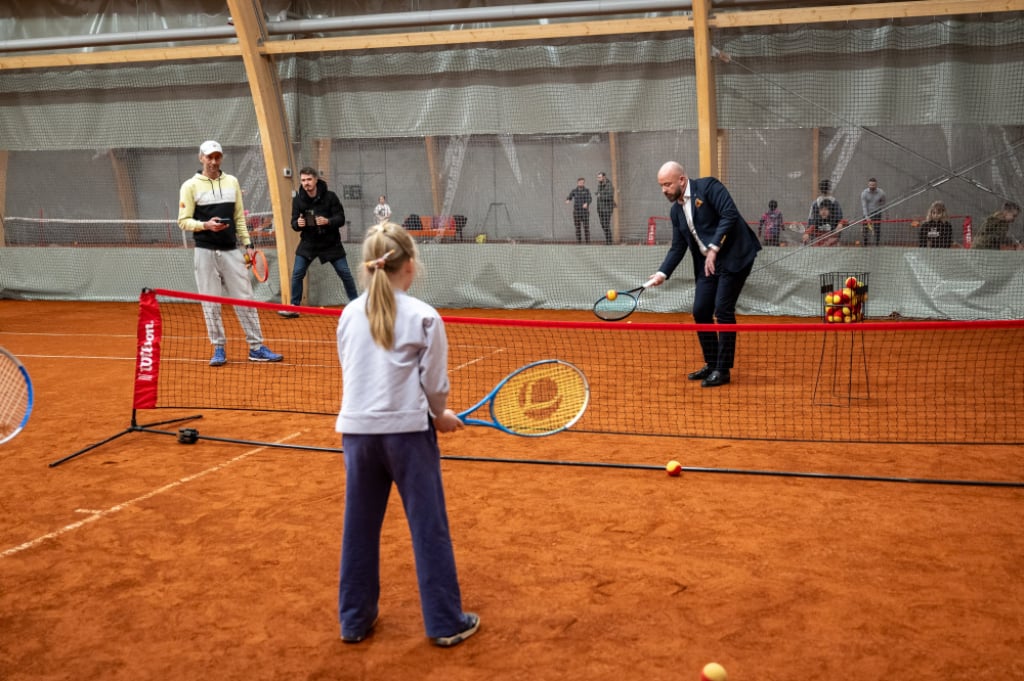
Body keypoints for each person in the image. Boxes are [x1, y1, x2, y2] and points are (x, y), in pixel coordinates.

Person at [335, 221, 479, 648]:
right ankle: (445, 622)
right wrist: (440, 416)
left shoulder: (347, 314)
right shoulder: (425, 317)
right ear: (410, 266)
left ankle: (354, 621)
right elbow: (435, 386)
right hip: (407, 437)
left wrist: (432, 413)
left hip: (357, 435)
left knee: (358, 528)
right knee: (428, 527)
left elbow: (355, 373)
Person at [646, 161, 762, 388]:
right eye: (661, 186)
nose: (664, 190)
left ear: (681, 180)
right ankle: (711, 363)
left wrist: (714, 248)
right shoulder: (676, 211)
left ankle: (723, 369)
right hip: (707, 265)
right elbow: (678, 247)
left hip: (734, 255)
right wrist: (662, 273)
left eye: (667, 184)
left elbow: (729, 214)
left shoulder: (709, 187)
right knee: (700, 311)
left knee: (723, 309)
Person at [177, 140, 283, 366]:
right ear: (201, 158)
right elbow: (183, 222)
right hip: (204, 252)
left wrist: (249, 245)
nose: (213, 161)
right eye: (209, 157)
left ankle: (256, 347)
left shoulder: (232, 182)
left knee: (245, 299)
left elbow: (238, 219)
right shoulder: (190, 186)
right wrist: (206, 225)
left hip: (232, 251)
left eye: (217, 157)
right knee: (210, 303)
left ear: (221, 158)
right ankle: (218, 349)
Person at [279, 167, 358, 318]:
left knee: (345, 273)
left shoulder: (330, 197)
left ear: (315, 179)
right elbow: (293, 222)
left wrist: (328, 221)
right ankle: (294, 307)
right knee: (297, 274)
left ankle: (356, 305)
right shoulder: (298, 200)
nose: (306, 183)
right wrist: (298, 223)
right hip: (309, 242)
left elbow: (341, 218)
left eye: (309, 179)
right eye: (303, 180)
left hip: (330, 242)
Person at [860, 178, 886, 246]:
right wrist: (866, 217)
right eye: (870, 185)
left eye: (873, 185)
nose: (872, 186)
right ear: (868, 185)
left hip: (877, 213)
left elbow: (884, 203)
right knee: (865, 230)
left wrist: (887, 215)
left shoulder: (881, 193)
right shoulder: (864, 193)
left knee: (877, 229)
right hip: (867, 213)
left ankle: (877, 244)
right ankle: (865, 244)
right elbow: (864, 206)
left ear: (876, 185)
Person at [565, 177, 592, 243]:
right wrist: (568, 199)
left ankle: (588, 242)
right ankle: (579, 242)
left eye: (582, 182)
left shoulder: (587, 190)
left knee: (586, 228)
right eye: (580, 182)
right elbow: (570, 196)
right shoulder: (574, 191)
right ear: (577, 183)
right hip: (577, 212)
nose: (581, 183)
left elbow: (590, 199)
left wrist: (587, 203)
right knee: (577, 228)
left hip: (584, 212)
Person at [595, 171, 616, 244]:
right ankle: (608, 239)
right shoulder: (599, 185)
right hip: (600, 209)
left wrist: (600, 196)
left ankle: (609, 241)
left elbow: (610, 196)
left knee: (606, 224)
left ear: (604, 177)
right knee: (603, 224)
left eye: (599, 177)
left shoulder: (609, 185)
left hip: (607, 209)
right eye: (598, 177)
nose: (598, 179)